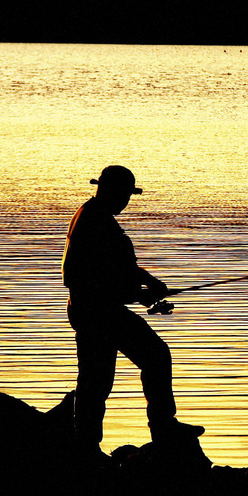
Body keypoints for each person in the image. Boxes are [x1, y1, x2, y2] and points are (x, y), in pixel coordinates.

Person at [63, 165, 203, 453]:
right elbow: (98, 279)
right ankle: (159, 429)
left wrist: (148, 283)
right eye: (125, 194)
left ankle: (87, 442)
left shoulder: (92, 214)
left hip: (94, 310)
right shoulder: (97, 222)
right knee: (144, 361)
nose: (126, 201)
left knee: (97, 378)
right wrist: (143, 295)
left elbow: (120, 269)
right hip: (97, 313)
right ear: (110, 191)